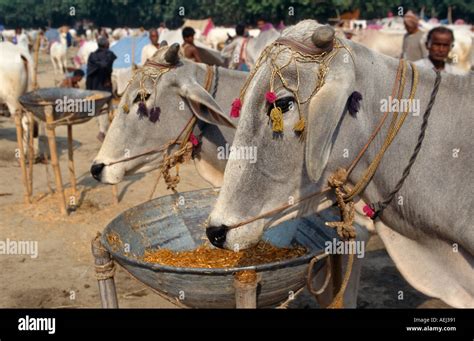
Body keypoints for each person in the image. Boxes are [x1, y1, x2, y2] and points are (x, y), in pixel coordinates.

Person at [86, 36, 116, 142]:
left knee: (101, 109)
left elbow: (89, 73)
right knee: (106, 109)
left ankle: (103, 131)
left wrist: (88, 89)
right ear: (107, 45)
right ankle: (102, 132)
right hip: (105, 86)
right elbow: (108, 68)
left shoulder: (92, 56)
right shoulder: (109, 55)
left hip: (95, 86)